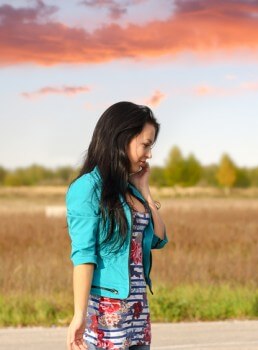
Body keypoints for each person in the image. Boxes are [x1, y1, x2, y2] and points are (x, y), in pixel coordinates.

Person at [66, 102, 168, 350]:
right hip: (107, 309)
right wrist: (79, 314)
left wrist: (145, 191)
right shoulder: (86, 188)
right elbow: (84, 256)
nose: (149, 154)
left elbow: (159, 239)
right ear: (122, 138)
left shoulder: (130, 188)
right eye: (145, 145)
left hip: (137, 307)